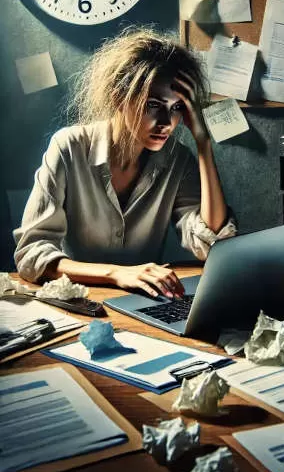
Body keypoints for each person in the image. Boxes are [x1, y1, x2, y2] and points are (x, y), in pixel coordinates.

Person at [13, 29, 237, 298]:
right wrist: (117, 273)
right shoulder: (69, 147)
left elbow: (211, 245)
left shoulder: (178, 160)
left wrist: (203, 143)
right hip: (81, 298)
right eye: (154, 104)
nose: (167, 123)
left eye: (177, 108)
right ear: (119, 97)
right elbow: (31, 253)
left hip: (146, 300)